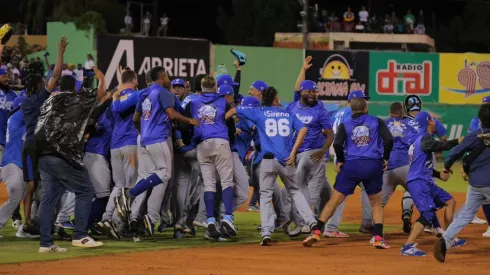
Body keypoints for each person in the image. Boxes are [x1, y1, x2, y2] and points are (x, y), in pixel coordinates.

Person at [37, 42, 108, 252]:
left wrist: (59, 53)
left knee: (50, 197)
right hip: (63, 154)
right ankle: (80, 236)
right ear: (75, 88)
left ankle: (45, 243)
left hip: (42, 154)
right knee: (85, 190)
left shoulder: (48, 99)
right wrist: (101, 77)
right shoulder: (76, 99)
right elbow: (100, 94)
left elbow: (55, 75)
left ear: (59, 87)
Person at [226, 86, 320, 246]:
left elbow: (233, 110)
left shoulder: (259, 112)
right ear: (276, 100)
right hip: (286, 160)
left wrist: (222, 123)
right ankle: (311, 222)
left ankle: (266, 233)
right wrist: (294, 150)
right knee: (295, 191)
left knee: (265, 196)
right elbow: (304, 129)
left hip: (268, 161)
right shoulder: (287, 113)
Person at [302, 97, 394, 249]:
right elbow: (389, 140)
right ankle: (377, 237)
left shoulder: (345, 125)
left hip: (351, 165)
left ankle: (316, 231)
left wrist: (341, 160)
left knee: (334, 201)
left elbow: (337, 143)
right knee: (376, 203)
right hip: (372, 164)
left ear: (352, 109)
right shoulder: (377, 121)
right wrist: (385, 158)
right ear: (365, 109)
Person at [125, 67, 198, 235]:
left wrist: (142, 132)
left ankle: (136, 212)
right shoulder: (163, 92)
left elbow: (136, 118)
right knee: (165, 173)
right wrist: (190, 120)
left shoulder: (144, 93)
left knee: (147, 176)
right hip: (158, 138)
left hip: (144, 140)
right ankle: (130, 195)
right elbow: (172, 114)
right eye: (167, 77)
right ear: (163, 77)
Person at [400, 111, 465, 257]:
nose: (436, 122)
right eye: (434, 119)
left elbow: (422, 164)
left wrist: (438, 175)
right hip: (418, 182)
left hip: (424, 180)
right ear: (429, 122)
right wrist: (457, 141)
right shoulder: (425, 139)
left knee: (450, 201)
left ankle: (449, 238)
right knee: (428, 213)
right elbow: (441, 146)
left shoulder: (418, 139)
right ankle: (407, 246)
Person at [20, 37, 65, 237]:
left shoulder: (24, 101)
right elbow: (57, 74)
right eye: (43, 81)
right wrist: (61, 52)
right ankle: (36, 222)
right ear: (39, 85)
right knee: (44, 184)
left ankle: (28, 221)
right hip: (38, 146)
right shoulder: (40, 98)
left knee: (32, 185)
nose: (47, 82)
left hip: (28, 145)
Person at [434, 103, 490, 263]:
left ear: (480, 119)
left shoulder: (474, 135)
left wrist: (446, 168)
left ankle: (445, 241)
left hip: (476, 184)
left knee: (466, 215)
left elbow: (454, 152)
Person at [284, 80, 336, 237]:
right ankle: (303, 222)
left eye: (315, 91)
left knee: (325, 193)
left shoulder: (319, 110)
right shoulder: (292, 107)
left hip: (313, 153)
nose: (313, 94)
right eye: (309, 91)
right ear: (301, 92)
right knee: (305, 191)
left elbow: (330, 133)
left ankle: (319, 223)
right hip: (298, 154)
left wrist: (324, 150)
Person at [381, 102, 416, 234]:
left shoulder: (383, 124)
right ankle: (432, 225)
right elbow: (415, 147)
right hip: (405, 165)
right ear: (402, 114)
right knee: (419, 194)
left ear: (390, 113)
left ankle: (375, 231)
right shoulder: (409, 126)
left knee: (378, 203)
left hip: (386, 167)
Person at [0, 95, 26, 238]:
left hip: (14, 162)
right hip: (12, 162)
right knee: (16, 192)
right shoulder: (17, 118)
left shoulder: (18, 120)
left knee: (17, 196)